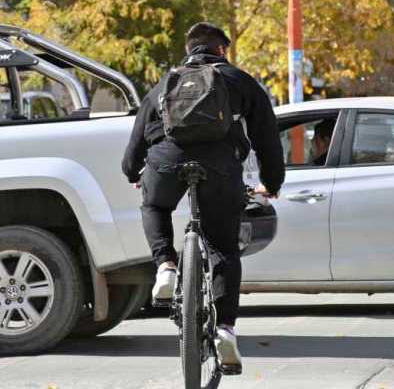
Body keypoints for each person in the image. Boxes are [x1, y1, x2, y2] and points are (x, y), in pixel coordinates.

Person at [122, 22, 285, 370]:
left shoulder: (168, 80)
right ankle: (225, 328)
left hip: (167, 162)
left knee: (154, 204)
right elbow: (267, 138)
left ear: (189, 49)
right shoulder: (240, 81)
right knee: (224, 248)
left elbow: (138, 135)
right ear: (222, 50)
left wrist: (132, 170)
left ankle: (165, 265)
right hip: (221, 169)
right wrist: (272, 182)